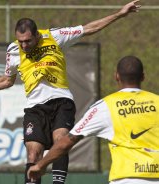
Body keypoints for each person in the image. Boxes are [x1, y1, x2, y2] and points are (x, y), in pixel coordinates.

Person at [0, 1, 141, 183]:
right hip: (34, 108)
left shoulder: (55, 36)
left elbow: (88, 28)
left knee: (60, 139)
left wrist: (120, 14)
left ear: (37, 35)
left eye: (28, 41)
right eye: (20, 41)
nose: (24, 45)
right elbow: (7, 81)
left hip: (61, 100)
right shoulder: (13, 50)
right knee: (33, 152)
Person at [28, 55, 159, 184]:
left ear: (116, 76)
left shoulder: (106, 106)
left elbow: (67, 141)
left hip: (126, 178)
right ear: (143, 76)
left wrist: (41, 165)